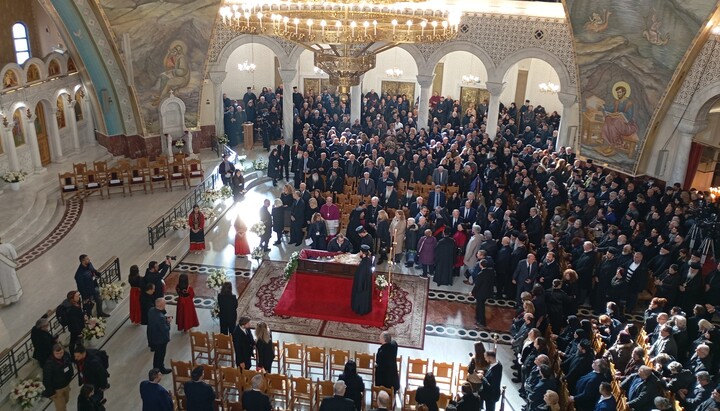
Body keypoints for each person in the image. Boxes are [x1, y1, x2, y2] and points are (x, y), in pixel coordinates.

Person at [42, 344, 74, 411]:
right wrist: (51, 392)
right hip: (57, 390)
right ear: (53, 353)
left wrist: (71, 375)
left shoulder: (66, 356)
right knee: (61, 408)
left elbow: (70, 366)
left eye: (61, 352)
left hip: (66, 385)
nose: (59, 355)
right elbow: (46, 380)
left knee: (66, 401)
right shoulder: (49, 364)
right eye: (57, 353)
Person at [147, 298, 172, 373]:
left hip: (153, 336)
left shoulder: (151, 310)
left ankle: (155, 368)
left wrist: (164, 319)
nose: (165, 305)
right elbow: (165, 329)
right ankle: (161, 369)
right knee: (161, 355)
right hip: (160, 339)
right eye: (164, 303)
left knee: (157, 354)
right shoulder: (160, 317)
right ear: (162, 305)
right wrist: (168, 322)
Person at [471, 259, 495, 329]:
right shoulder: (491, 271)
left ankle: (481, 322)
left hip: (481, 293)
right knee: (480, 306)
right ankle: (478, 317)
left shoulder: (480, 274)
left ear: (481, 265)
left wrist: (472, 292)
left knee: (480, 307)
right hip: (487, 292)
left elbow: (477, 285)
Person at [351, 244, 373, 315]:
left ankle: (360, 310)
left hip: (361, 285)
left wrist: (359, 287)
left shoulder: (363, 264)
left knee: (361, 297)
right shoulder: (368, 260)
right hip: (367, 284)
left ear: (361, 252)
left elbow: (360, 276)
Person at [0, 237, 21, 305]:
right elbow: (14, 256)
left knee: (3, 284)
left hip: (1, 271)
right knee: (11, 281)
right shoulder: (8, 246)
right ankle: (15, 296)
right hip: (9, 267)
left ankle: (7, 300)